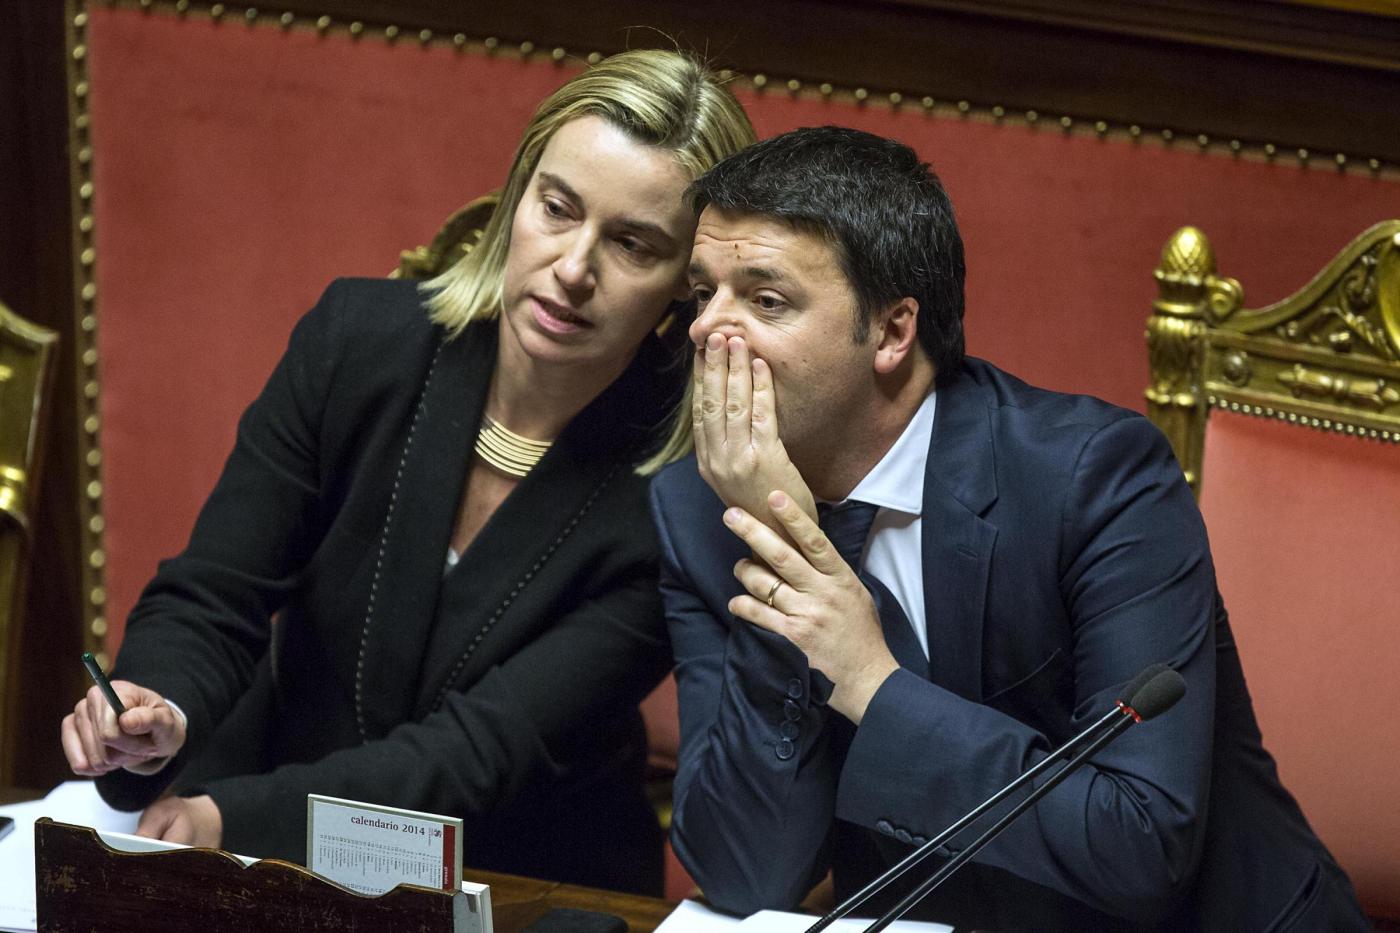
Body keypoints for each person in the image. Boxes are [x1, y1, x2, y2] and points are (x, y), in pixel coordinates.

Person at [58, 49, 755, 895]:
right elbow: (214, 591)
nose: (574, 268)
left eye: (633, 244)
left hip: (520, 878)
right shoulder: (358, 342)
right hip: (257, 830)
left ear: (687, 286)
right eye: (557, 208)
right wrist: (154, 710)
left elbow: (477, 751)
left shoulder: (687, 491)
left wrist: (233, 821)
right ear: (518, 197)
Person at [650, 126, 1368, 930]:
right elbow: (746, 872)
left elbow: (1139, 842)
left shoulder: (1094, 478)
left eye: (765, 299)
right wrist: (781, 539)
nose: (706, 328)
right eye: (703, 292)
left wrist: (871, 684)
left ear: (893, 331)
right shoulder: (705, 510)